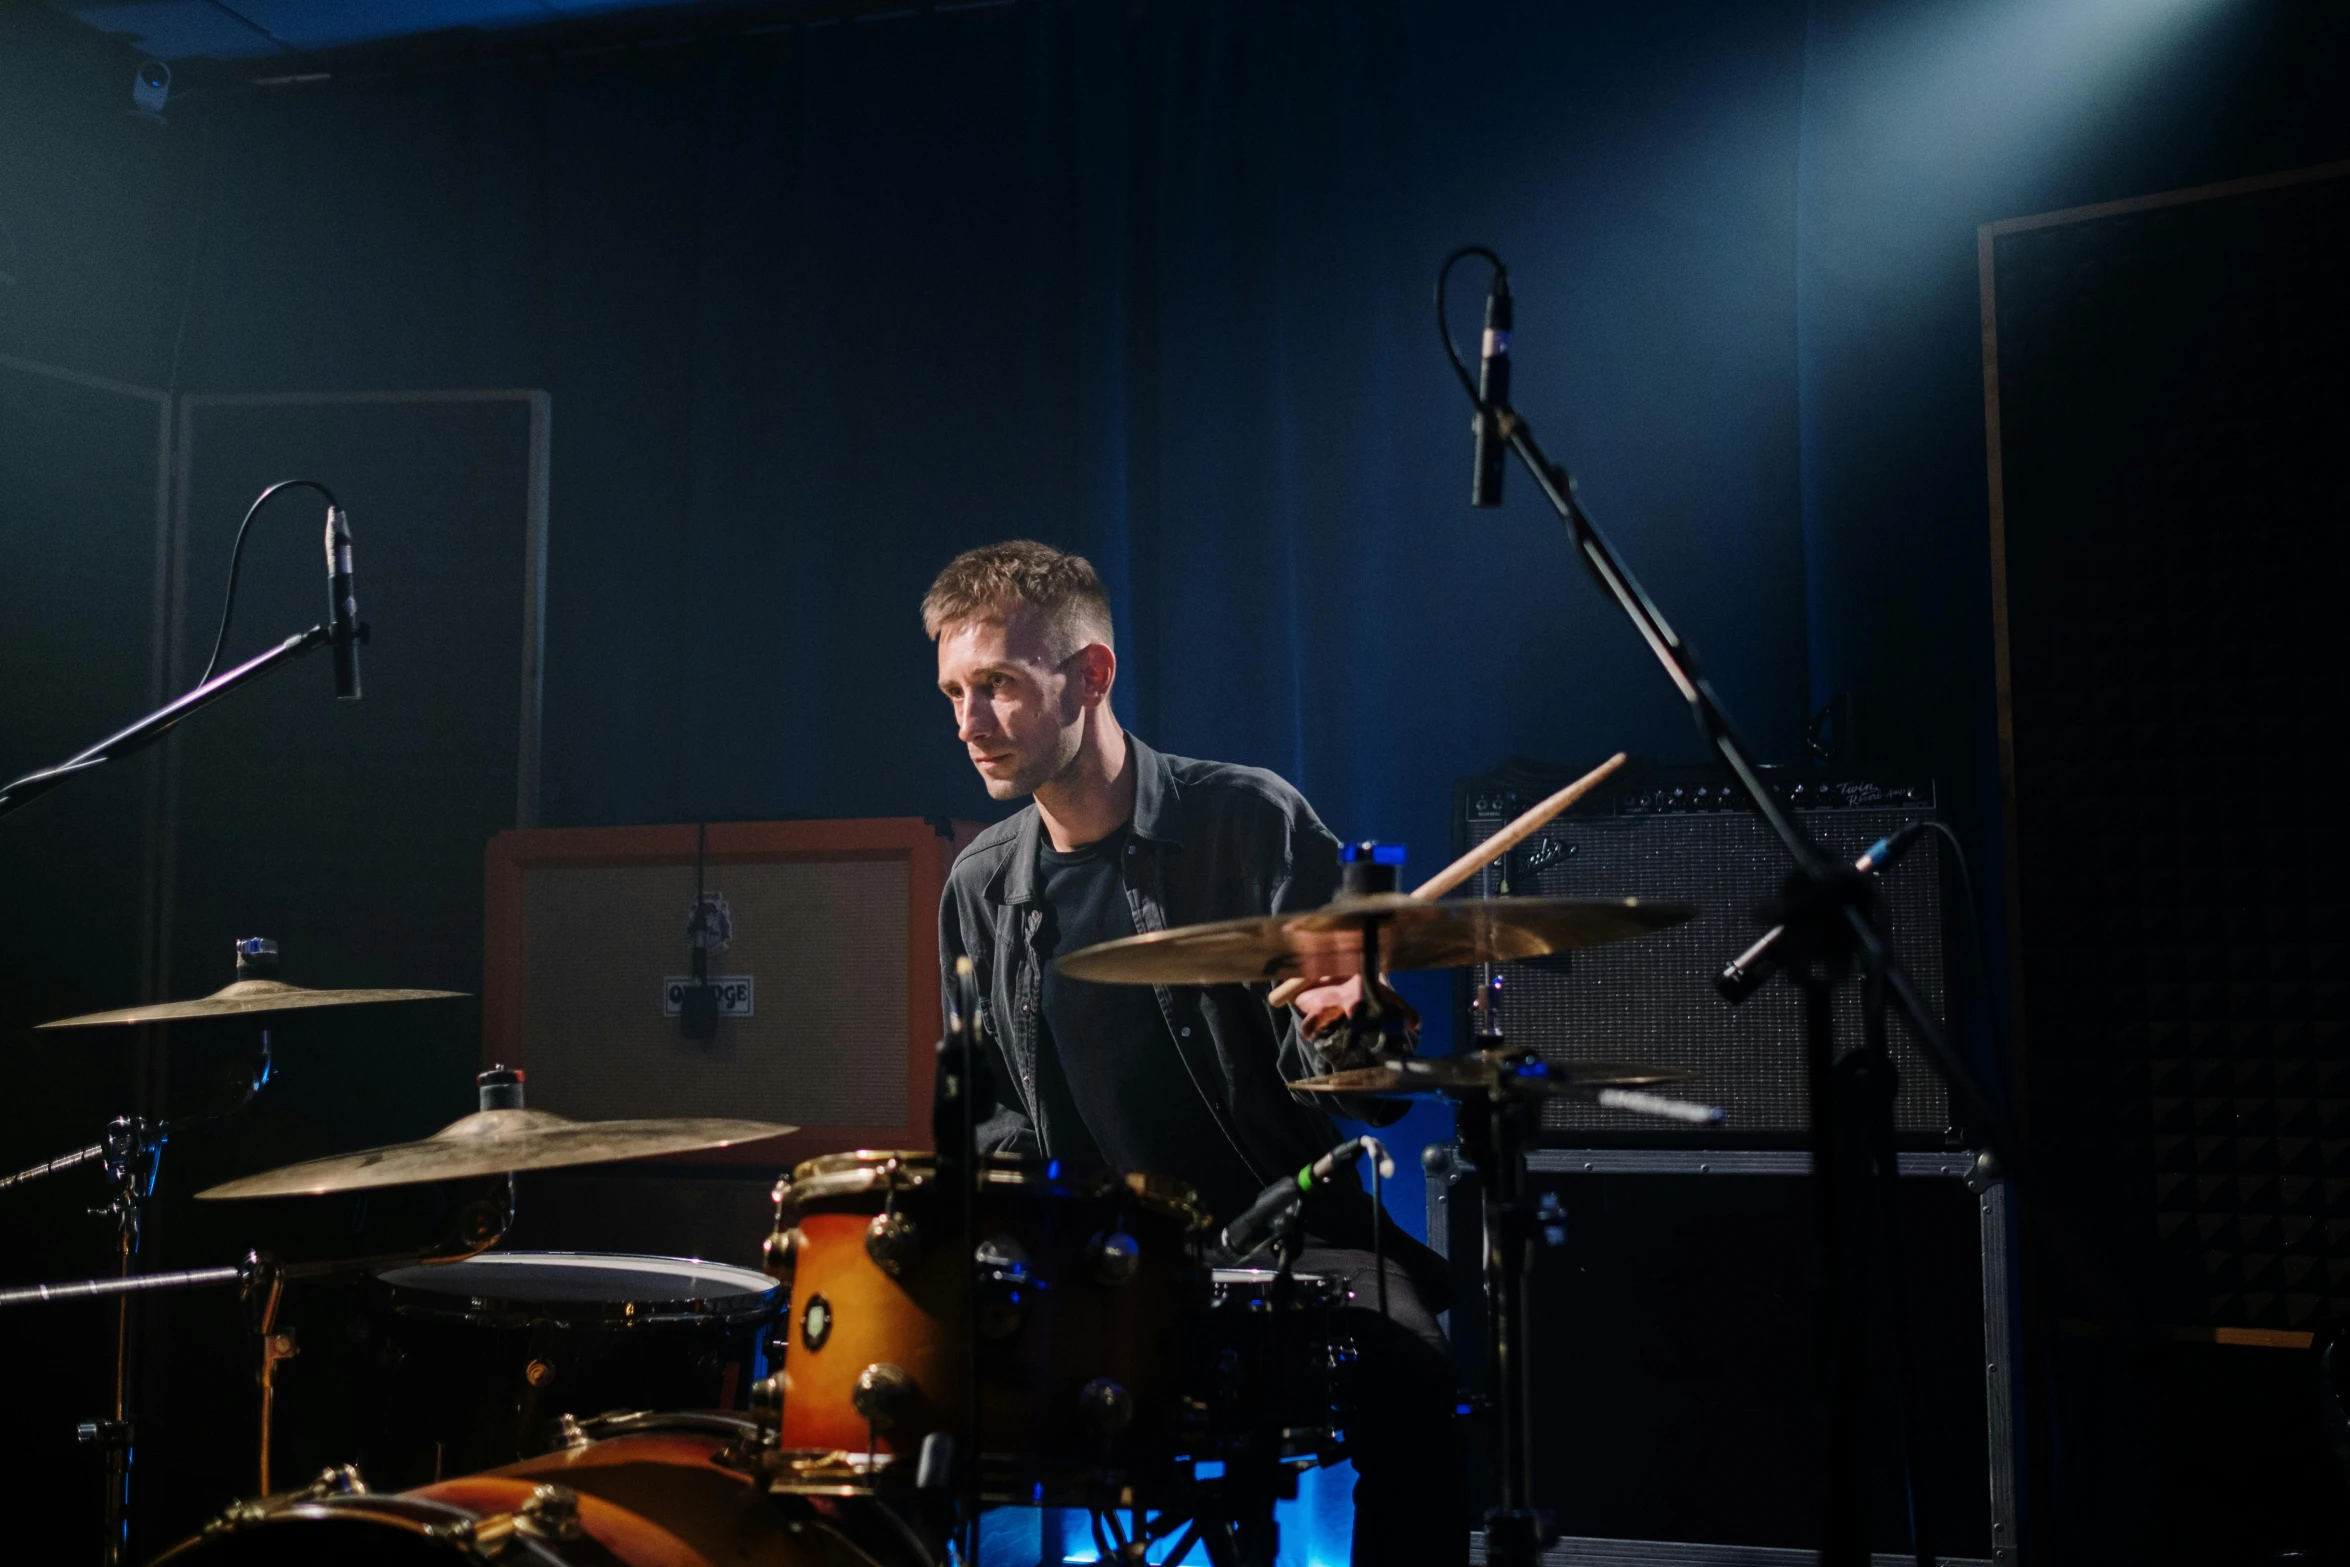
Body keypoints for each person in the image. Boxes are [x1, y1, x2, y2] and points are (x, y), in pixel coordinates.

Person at [927, 539, 1467, 1567]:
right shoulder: (979, 884)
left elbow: (1366, 1094)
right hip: (1093, 1262)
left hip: (1290, 1242)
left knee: (1414, 1378)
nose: (968, 723)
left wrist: (1356, 1023)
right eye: (954, 690)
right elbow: (986, 1113)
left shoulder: (1247, 819)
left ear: (1091, 675)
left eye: (996, 685)